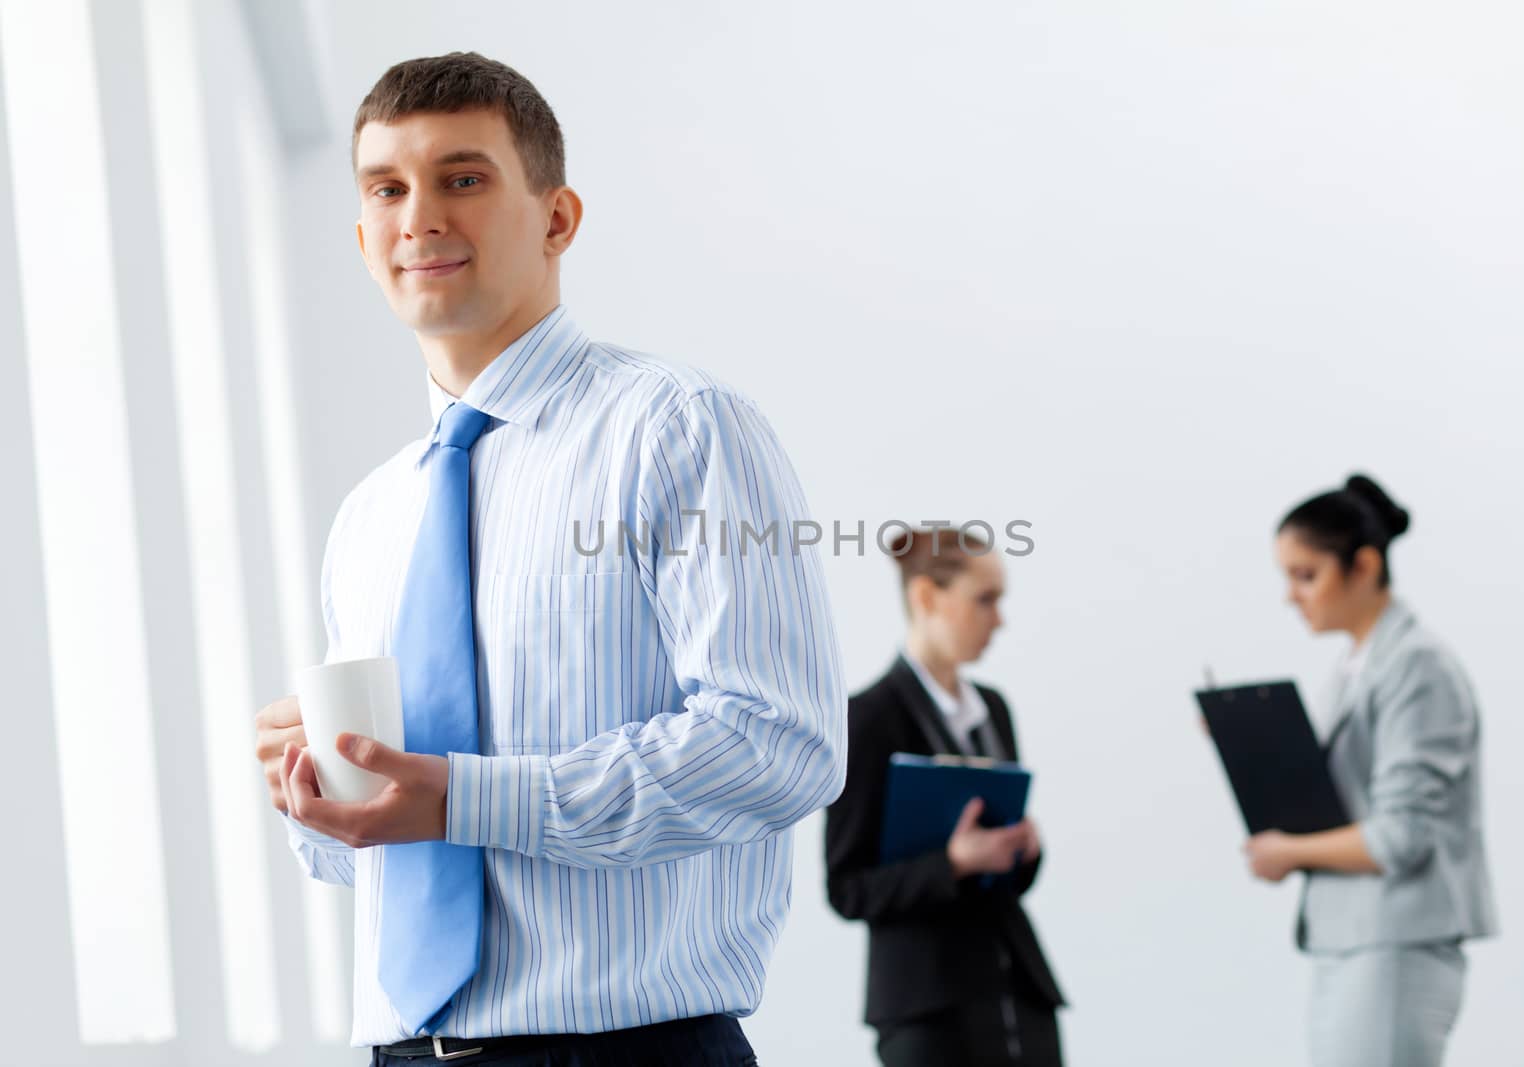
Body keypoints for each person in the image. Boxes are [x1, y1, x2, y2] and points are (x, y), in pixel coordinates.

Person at [250, 52, 845, 1066]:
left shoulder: (680, 430)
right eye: (387, 188)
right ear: (361, 238)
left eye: (463, 178)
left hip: (621, 1049)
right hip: (403, 1049)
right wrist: (317, 797)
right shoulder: (370, 516)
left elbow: (777, 742)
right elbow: (396, 860)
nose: (419, 217)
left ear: (558, 217)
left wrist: (463, 793)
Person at [1247, 474, 1497, 1067]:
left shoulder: (1416, 667)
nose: (1292, 596)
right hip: (1354, 940)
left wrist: (1293, 851)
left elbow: (1401, 836)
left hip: (1393, 945)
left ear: (1363, 566)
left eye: (1306, 576)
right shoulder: (1354, 668)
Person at [824, 528, 1067, 1067]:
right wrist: (953, 863)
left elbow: (1008, 881)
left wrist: (1022, 849)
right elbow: (846, 888)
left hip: (1016, 991)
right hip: (927, 1007)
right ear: (927, 598)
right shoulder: (866, 720)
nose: (999, 620)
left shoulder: (993, 709)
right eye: (986, 600)